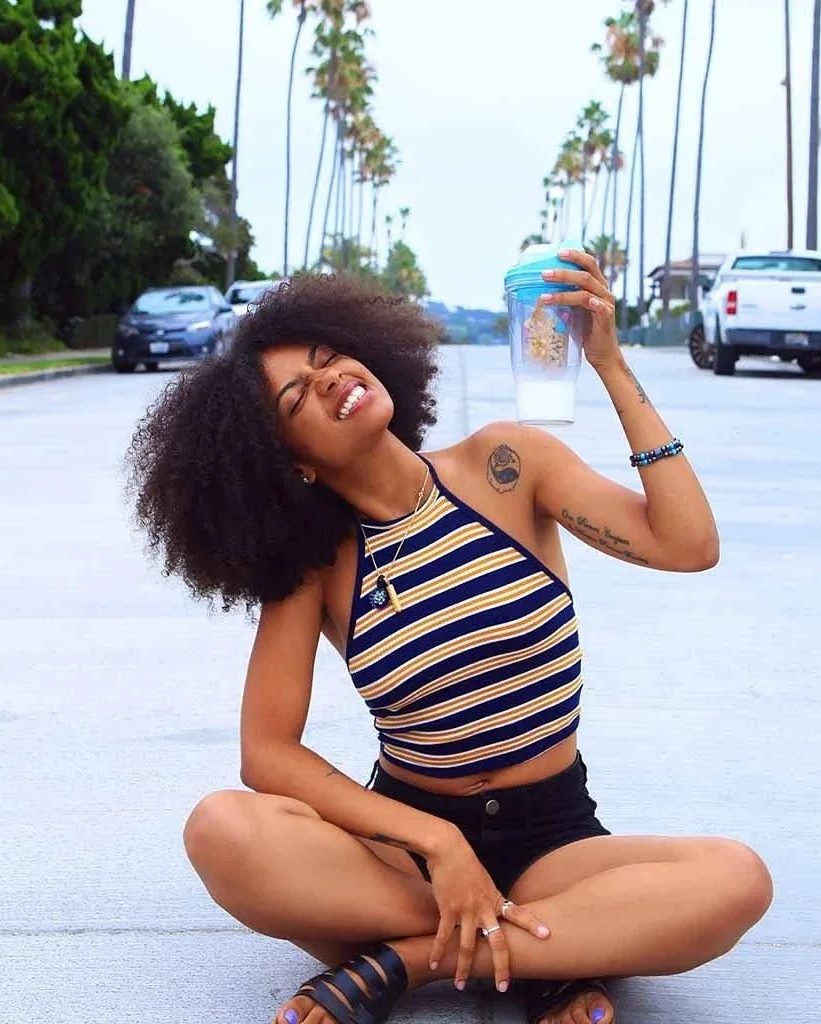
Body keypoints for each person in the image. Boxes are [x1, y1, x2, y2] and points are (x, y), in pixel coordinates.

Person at [128, 251, 773, 1024]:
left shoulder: (508, 465)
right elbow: (266, 754)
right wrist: (436, 843)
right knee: (220, 830)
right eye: (297, 394)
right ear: (291, 463)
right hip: (407, 854)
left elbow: (688, 545)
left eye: (328, 356)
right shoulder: (314, 566)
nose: (328, 379)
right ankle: (557, 953)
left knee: (737, 879)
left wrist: (609, 364)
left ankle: (408, 961)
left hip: (555, 843)